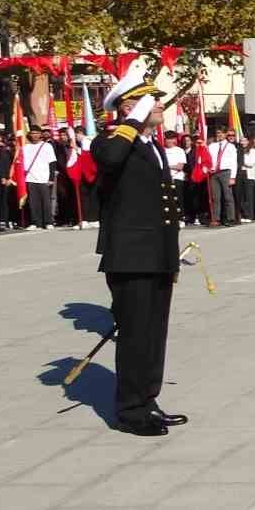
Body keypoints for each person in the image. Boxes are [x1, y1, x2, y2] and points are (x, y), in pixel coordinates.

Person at [93, 65, 187, 437]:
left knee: (153, 333)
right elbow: (112, 158)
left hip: (156, 255)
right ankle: (130, 411)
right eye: (152, 101)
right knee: (134, 335)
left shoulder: (152, 146)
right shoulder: (110, 141)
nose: (160, 105)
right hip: (130, 255)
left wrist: (172, 256)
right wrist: (130, 119)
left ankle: (148, 401)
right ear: (130, 107)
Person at [21, 125, 56, 230]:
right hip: (30, 178)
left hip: (44, 177)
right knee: (33, 202)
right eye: (33, 133)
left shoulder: (47, 146)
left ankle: (48, 221)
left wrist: (51, 178)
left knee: (46, 201)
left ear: (40, 134)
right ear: (30, 134)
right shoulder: (25, 147)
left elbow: (52, 163)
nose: (35, 135)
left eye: (37, 133)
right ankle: (36, 223)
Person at [206, 127, 238, 226]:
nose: (219, 135)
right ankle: (216, 218)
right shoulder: (212, 146)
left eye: (221, 133)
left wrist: (233, 177)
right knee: (215, 197)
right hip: (214, 173)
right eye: (218, 133)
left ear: (225, 135)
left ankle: (231, 218)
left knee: (228, 196)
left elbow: (234, 162)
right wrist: (208, 167)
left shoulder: (230, 146)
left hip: (226, 172)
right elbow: (208, 158)